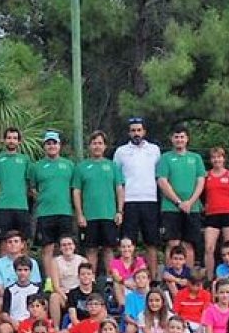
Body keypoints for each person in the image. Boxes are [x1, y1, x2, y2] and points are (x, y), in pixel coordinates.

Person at [113, 117, 162, 279]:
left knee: (151, 243)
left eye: (139, 130)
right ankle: (128, 278)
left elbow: (159, 176)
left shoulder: (154, 150)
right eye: (133, 130)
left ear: (144, 132)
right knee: (128, 244)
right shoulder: (120, 152)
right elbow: (117, 180)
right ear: (129, 132)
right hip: (129, 202)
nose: (136, 133)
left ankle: (153, 279)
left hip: (150, 201)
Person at [71, 130, 123, 270]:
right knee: (90, 250)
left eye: (100, 143)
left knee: (109, 249)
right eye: (94, 143)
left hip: (109, 215)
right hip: (89, 217)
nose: (97, 146)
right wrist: (80, 214)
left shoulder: (112, 166)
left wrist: (119, 211)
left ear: (105, 146)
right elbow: (76, 191)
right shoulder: (81, 167)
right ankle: (90, 281)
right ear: (89, 146)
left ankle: (110, 282)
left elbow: (119, 189)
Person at [156, 124, 205, 268]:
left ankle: (187, 279)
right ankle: (170, 278)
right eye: (176, 137)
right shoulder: (165, 158)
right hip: (171, 208)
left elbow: (200, 181)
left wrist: (190, 202)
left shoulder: (196, 158)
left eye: (182, 137)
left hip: (192, 208)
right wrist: (178, 202)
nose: (179, 140)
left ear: (187, 139)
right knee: (172, 243)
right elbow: (162, 181)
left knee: (188, 244)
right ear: (172, 139)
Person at [30, 130, 76, 272]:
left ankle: (67, 277)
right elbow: (31, 188)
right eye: (48, 143)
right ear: (44, 146)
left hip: (65, 212)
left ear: (59, 145)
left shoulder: (69, 165)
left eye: (54, 143)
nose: (51, 146)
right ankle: (50, 281)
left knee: (66, 247)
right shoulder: (36, 166)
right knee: (47, 248)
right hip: (45, 213)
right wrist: (42, 198)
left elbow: (74, 188)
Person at [201, 147, 229, 280]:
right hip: (212, 214)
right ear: (211, 160)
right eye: (214, 157)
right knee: (209, 247)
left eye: (219, 157)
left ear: (224, 158)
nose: (217, 160)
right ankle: (210, 279)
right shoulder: (206, 176)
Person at [0, 127, 32, 239]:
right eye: (9, 138)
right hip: (2, 207)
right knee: (3, 241)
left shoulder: (25, 160)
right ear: (3, 140)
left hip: (22, 207)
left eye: (15, 138)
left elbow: (30, 183)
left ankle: (23, 258)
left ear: (19, 141)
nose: (11, 140)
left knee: (23, 242)